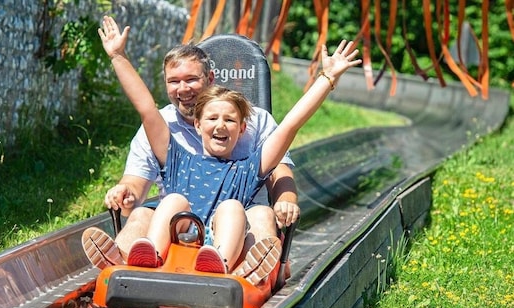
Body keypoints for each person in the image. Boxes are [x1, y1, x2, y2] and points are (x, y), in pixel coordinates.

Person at [84, 16, 361, 281]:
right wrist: (118, 57)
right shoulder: (178, 158)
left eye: (229, 120)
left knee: (232, 207)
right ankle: (144, 257)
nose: (220, 126)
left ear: (242, 129)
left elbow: (290, 126)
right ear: (196, 125)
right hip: (180, 234)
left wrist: (327, 78)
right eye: (212, 120)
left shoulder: (247, 168)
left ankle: (225, 266)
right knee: (171, 201)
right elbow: (146, 108)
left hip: (223, 241)